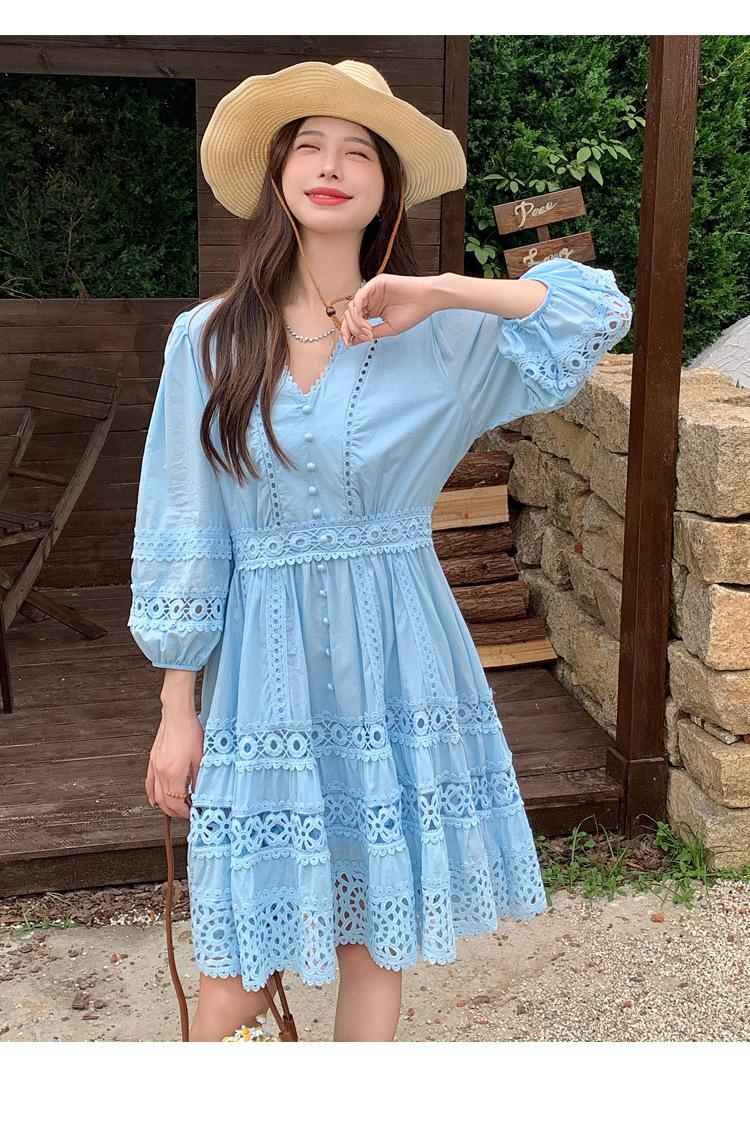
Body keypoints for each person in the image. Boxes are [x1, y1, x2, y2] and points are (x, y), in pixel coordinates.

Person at [128, 58, 633, 1042]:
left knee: (374, 942)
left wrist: (438, 289)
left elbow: (597, 311)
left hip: (399, 664)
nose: (330, 166)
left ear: (387, 185)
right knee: (232, 974)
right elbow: (184, 527)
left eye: (358, 151)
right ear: (277, 175)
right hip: (259, 681)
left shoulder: (442, 339)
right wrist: (175, 710)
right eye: (308, 147)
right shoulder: (206, 340)